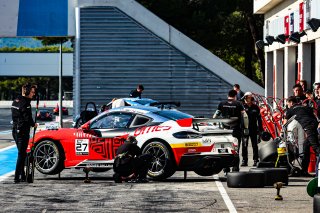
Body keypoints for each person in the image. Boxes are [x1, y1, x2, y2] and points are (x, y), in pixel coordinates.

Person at [213, 89, 249, 172]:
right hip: (236, 130)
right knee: (235, 149)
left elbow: (216, 115)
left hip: (224, 131)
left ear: (227, 95)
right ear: (235, 96)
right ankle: (235, 168)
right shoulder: (239, 104)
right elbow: (245, 116)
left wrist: (214, 123)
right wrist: (246, 127)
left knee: (225, 149)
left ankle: (226, 168)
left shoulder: (222, 104)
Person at [285, 96, 320, 177]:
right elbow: (314, 116)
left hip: (308, 126)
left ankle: (318, 173)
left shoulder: (291, 109)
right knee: (306, 145)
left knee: (316, 148)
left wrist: (281, 133)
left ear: (291, 102)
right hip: (314, 124)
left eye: (288, 104)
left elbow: (285, 122)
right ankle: (304, 170)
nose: (288, 106)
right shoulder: (305, 107)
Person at [11, 83, 38, 183]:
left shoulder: (16, 100)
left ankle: (22, 175)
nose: (33, 94)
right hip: (22, 131)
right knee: (22, 154)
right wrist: (33, 124)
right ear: (26, 92)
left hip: (15, 130)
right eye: (32, 92)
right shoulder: (26, 104)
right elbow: (28, 119)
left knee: (22, 154)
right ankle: (16, 177)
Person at [241, 92, 263, 167]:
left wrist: (261, 130)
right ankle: (244, 160)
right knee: (244, 145)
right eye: (246, 98)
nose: (246, 99)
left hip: (253, 129)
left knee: (255, 145)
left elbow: (259, 119)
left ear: (251, 98)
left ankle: (256, 160)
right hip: (244, 129)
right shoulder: (242, 107)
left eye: (248, 97)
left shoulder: (255, 107)